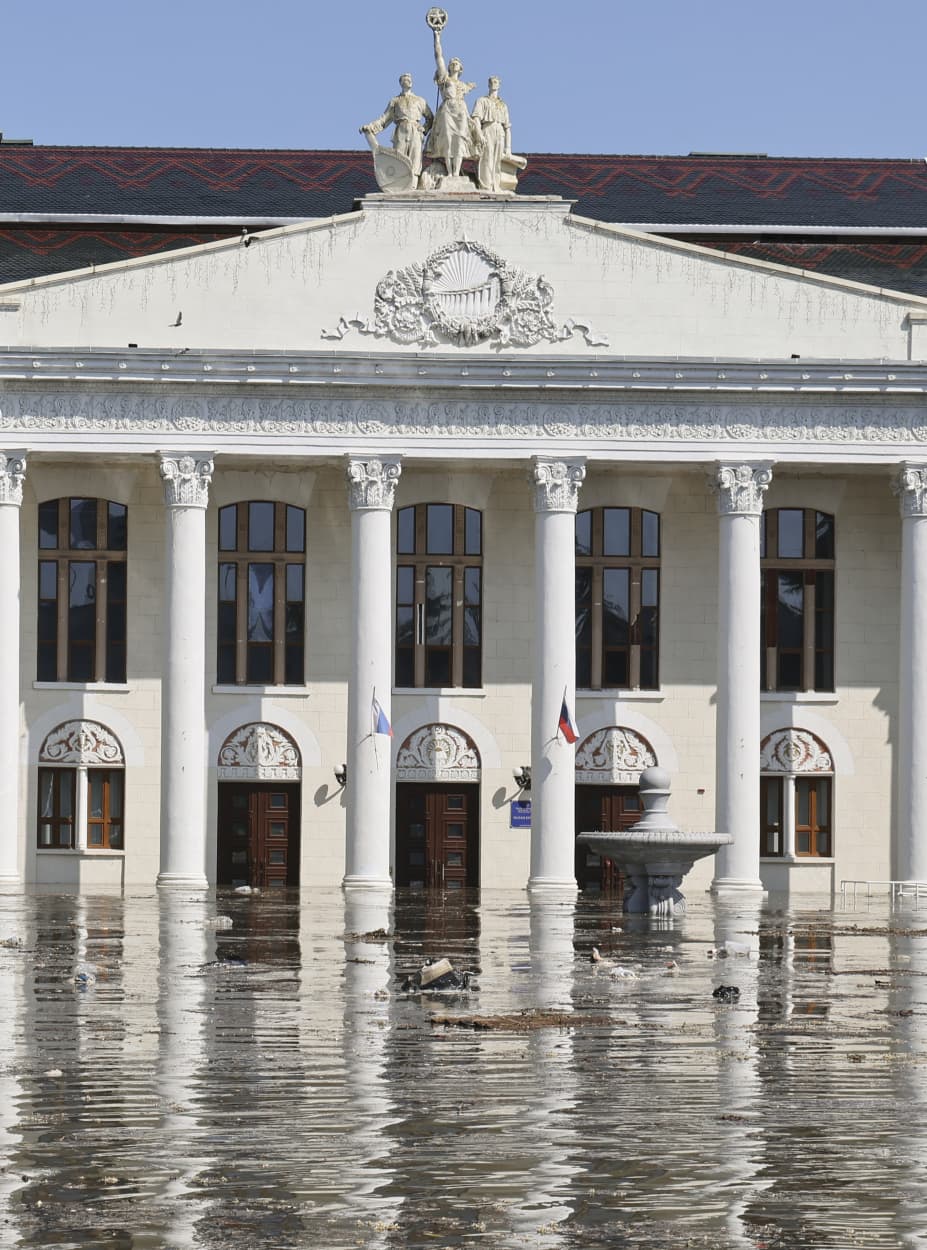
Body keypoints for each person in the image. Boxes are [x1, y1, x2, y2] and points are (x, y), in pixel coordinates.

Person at [424, 27, 480, 179]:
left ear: (460, 68)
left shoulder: (464, 85)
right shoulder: (445, 79)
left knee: (460, 140)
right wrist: (437, 37)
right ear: (448, 67)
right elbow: (438, 56)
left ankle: (456, 173)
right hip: (447, 109)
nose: (454, 64)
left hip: (461, 110)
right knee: (448, 140)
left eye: (457, 63)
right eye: (452, 63)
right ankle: (450, 173)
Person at [360, 74, 433, 179]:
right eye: (405, 80)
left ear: (412, 83)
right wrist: (371, 127)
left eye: (409, 80)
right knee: (399, 158)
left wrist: (424, 129)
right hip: (401, 130)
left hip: (415, 131)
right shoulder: (395, 101)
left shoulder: (420, 100)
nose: (408, 81)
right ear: (401, 83)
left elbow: (430, 118)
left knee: (415, 158)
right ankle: (399, 181)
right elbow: (384, 119)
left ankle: (414, 182)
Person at [472, 77, 511, 193]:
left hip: (500, 131)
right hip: (487, 129)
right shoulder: (482, 101)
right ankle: (486, 185)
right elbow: (476, 119)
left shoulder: (503, 105)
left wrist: (508, 148)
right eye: (491, 82)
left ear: (499, 85)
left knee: (497, 160)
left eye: (496, 82)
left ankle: (496, 185)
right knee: (487, 158)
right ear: (488, 85)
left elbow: (507, 127)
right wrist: (479, 134)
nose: (494, 84)